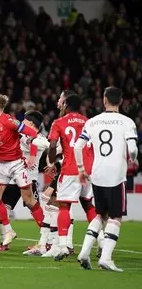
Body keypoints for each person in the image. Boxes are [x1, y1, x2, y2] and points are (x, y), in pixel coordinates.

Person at [75, 87, 138, 272]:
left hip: (97, 173)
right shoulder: (127, 122)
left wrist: (81, 169)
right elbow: (133, 149)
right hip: (116, 175)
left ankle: (84, 252)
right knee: (116, 216)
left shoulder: (92, 122)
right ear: (121, 101)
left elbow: (78, 147)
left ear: (104, 100)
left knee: (100, 214)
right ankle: (106, 258)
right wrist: (133, 159)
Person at [0, 93, 42, 250]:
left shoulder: (10, 121)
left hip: (16, 164)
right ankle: (8, 231)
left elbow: (32, 133)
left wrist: (32, 155)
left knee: (29, 201)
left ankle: (49, 235)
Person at [47, 94, 97, 260]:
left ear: (66, 105)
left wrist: (52, 160)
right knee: (88, 204)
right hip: (89, 170)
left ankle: (62, 246)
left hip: (70, 169)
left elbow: (53, 144)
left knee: (64, 206)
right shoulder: (89, 122)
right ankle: (102, 243)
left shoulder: (59, 122)